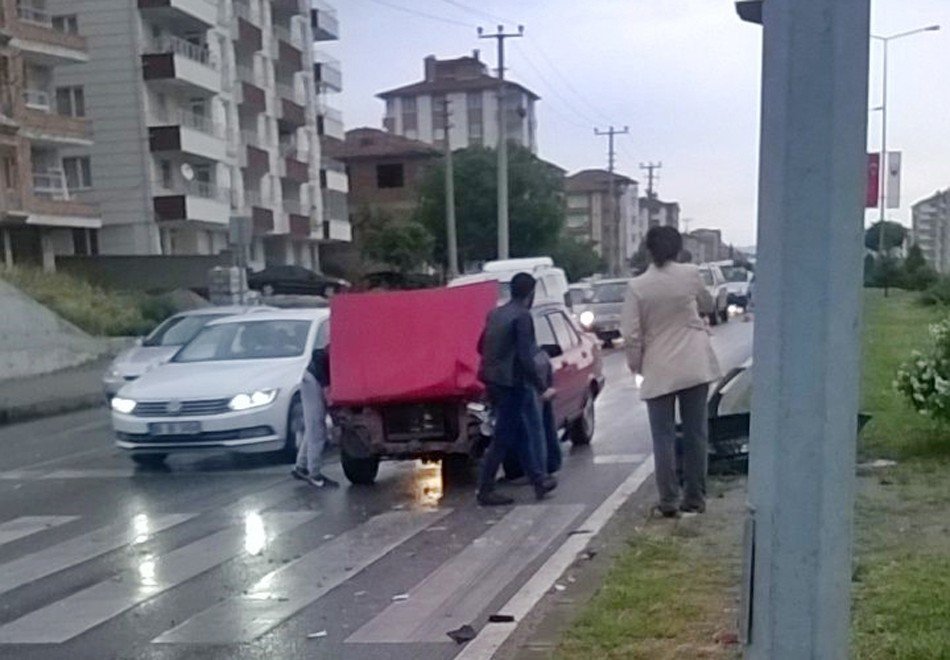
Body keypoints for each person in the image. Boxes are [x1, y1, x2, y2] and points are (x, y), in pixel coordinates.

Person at [621, 226, 722, 517]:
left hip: (659, 366)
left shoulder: (638, 286)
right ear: (678, 249)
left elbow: (631, 334)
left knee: (662, 437)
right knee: (696, 433)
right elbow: (707, 303)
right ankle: (695, 497)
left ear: (648, 251)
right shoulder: (690, 274)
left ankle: (668, 500)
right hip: (694, 362)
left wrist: (636, 364)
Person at [477, 273, 557, 506]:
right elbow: (525, 356)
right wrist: (542, 387)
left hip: (494, 380)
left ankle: (539, 480)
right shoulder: (523, 317)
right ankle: (485, 488)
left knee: (520, 432)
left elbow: (480, 346)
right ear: (530, 294)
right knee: (503, 437)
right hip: (512, 383)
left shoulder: (496, 314)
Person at [291, 346, 339, 488]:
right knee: (317, 429)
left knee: (312, 427)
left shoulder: (334, 347)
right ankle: (315, 474)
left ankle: (301, 466)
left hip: (310, 377)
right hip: (314, 380)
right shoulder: (337, 351)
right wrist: (327, 393)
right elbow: (322, 361)